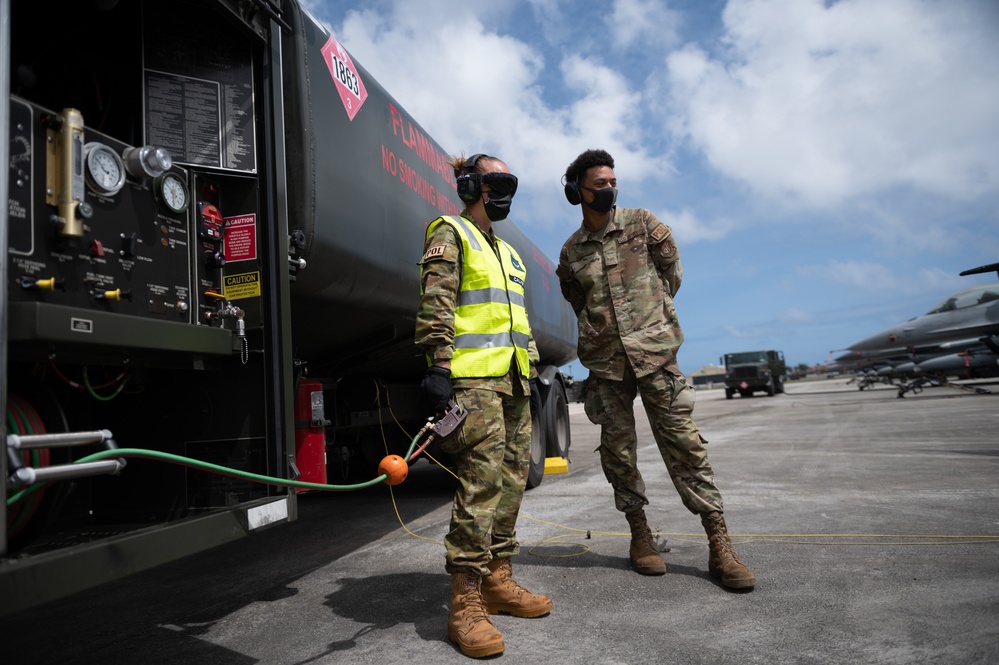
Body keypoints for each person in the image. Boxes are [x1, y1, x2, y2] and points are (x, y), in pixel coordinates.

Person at [555, 148, 756, 590]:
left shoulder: (642, 224)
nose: (610, 189)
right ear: (577, 191)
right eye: (600, 184)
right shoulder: (571, 252)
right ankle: (640, 536)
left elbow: (671, 275)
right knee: (618, 455)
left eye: (613, 181)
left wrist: (649, 321)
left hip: (657, 355)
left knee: (686, 447)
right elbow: (578, 301)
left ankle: (720, 545)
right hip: (607, 368)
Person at [416, 153, 552, 658]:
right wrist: (438, 363)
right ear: (471, 184)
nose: (504, 191)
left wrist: (532, 373)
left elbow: (515, 322)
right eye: (496, 181)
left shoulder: (507, 251)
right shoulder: (450, 231)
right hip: (473, 384)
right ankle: (464, 605)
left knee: (512, 485)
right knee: (481, 487)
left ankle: (497, 582)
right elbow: (439, 302)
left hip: (515, 385)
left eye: (509, 182)